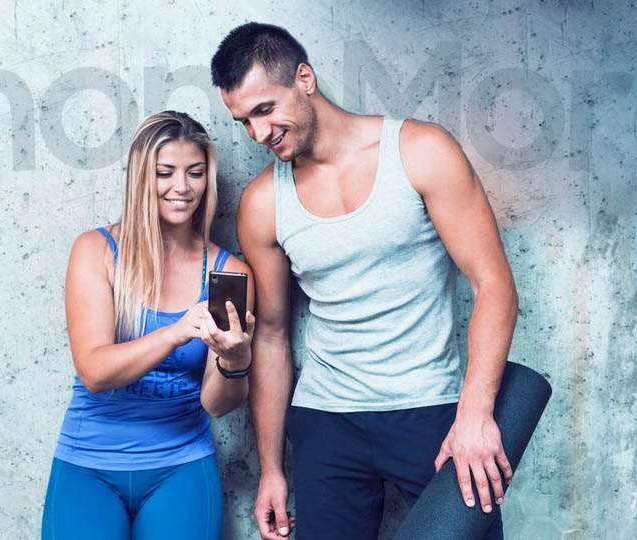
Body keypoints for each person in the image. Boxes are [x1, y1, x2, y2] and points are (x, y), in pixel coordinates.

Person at [211, 23, 518, 540]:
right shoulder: (263, 204)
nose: (259, 134)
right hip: (327, 421)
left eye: (265, 110)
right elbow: (270, 334)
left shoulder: (421, 151)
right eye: (243, 122)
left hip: (431, 412)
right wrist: (271, 468)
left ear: (304, 78)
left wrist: (475, 414)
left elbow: (494, 285)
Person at [41, 111, 256, 540]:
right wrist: (176, 331)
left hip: (181, 468)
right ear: (142, 178)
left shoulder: (227, 273)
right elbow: (95, 372)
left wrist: (234, 360)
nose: (183, 187)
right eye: (165, 173)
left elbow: (217, 403)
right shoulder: (96, 251)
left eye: (195, 173)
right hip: (88, 465)